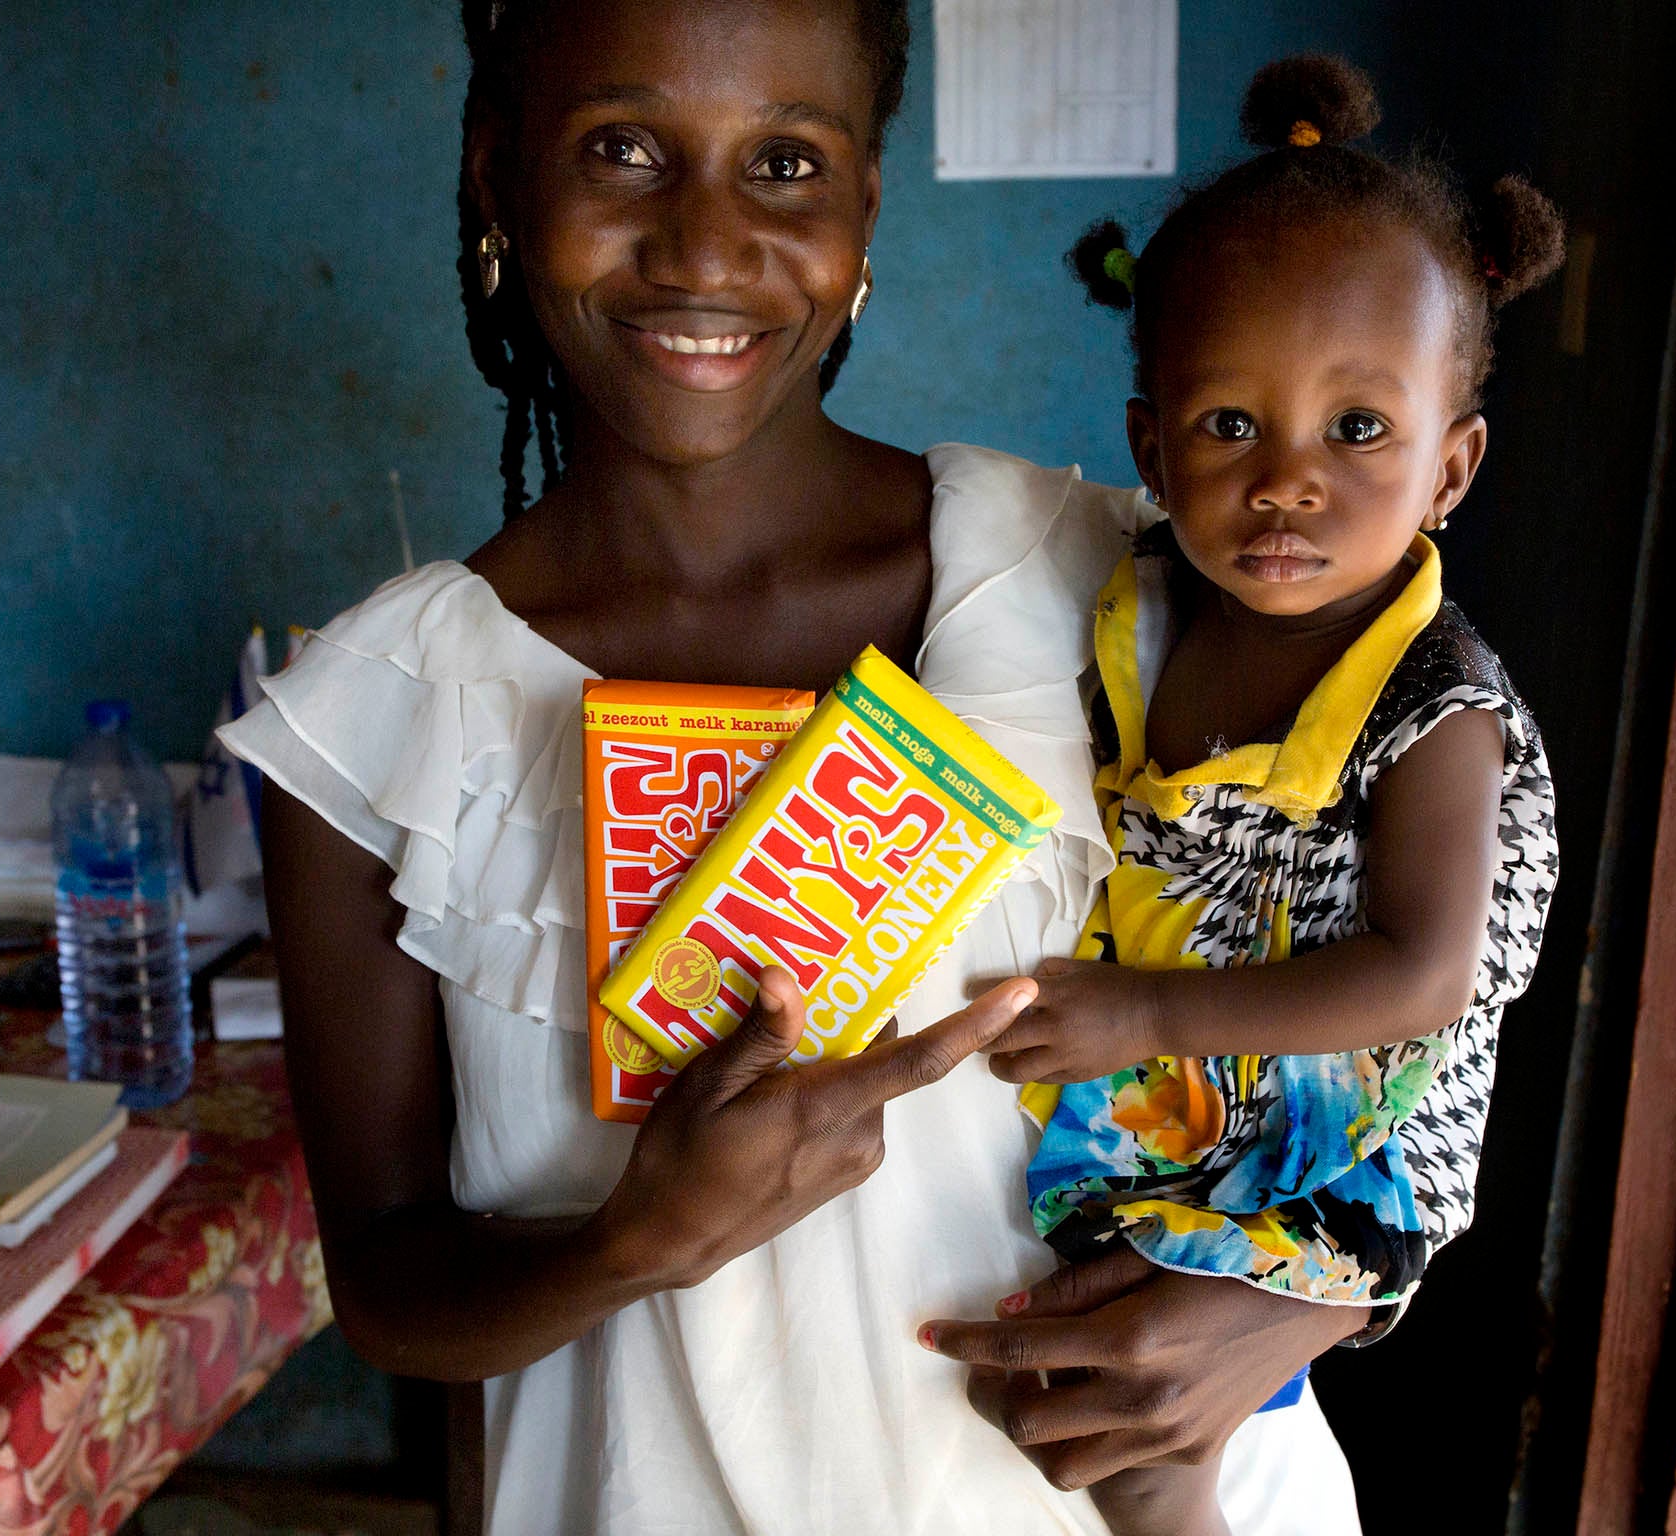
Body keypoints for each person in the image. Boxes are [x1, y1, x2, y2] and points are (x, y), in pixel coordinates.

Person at [221, 6, 1363, 1531]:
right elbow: (388, 1285)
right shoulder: (370, 725)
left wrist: (1319, 1302)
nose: (705, 246)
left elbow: (1417, 990)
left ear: (864, 211)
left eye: (784, 162)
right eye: (622, 151)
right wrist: (637, 1238)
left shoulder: (1098, 580)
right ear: (497, 180)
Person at [919, 56, 1564, 1536]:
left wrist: (1143, 1015)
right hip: (1185, 1112)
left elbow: (1422, 977)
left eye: (1358, 430)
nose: (1287, 485)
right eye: (1228, 428)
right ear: (1150, 448)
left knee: (1144, 1461)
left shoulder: (1432, 710)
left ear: (1453, 466)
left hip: (1333, 1150)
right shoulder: (1138, 610)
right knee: (1048, 1388)